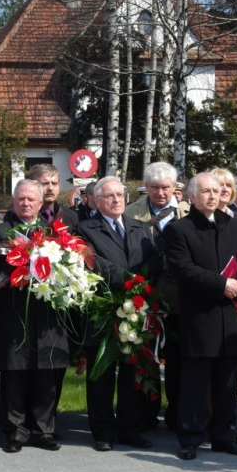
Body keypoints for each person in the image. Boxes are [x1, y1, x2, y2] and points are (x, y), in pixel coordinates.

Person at [164, 173, 237, 460]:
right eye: (206, 191)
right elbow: (183, 269)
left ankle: (224, 435)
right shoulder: (179, 230)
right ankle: (190, 437)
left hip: (231, 316)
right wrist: (221, 285)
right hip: (200, 317)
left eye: (217, 191)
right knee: (195, 382)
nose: (213, 196)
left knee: (227, 382)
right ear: (191, 196)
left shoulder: (233, 226)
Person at [0, 179, 68, 453]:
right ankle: (15, 431)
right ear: (13, 201)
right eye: (20, 199)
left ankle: (44, 430)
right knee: (14, 373)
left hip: (47, 315)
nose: (25, 203)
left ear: (41, 203)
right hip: (14, 312)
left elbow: (68, 270)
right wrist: (15, 263)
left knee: (46, 373)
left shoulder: (55, 233)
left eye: (31, 199)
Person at [76, 177, 161, 451]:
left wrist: (144, 283)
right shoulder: (85, 228)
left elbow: (153, 259)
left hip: (135, 306)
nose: (116, 200)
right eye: (109, 196)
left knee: (132, 369)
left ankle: (130, 428)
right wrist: (127, 279)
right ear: (97, 200)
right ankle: (102, 431)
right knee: (100, 373)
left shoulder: (140, 227)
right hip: (104, 306)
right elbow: (92, 262)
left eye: (120, 195)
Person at [124, 161, 189, 430]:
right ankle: (145, 414)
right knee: (145, 358)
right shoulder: (131, 213)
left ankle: (176, 413)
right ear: (145, 188)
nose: (160, 193)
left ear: (175, 188)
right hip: (144, 298)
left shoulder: (189, 212)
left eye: (166, 187)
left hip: (178, 300)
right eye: (154, 187)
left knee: (177, 359)